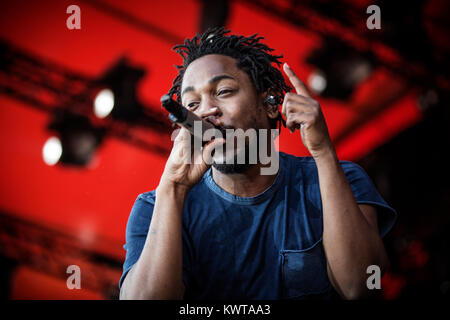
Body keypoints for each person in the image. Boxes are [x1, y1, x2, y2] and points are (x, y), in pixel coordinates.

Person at [118, 27, 397, 300]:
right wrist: (173, 188)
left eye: (224, 91)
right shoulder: (156, 207)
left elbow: (361, 286)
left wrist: (323, 151)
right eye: (192, 105)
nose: (207, 111)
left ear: (270, 104)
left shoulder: (339, 178)